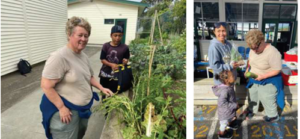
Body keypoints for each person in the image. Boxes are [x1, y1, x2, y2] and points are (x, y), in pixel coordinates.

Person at [40, 16, 113, 139]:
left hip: (81, 110)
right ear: (69, 34)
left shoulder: (83, 56)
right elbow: (46, 86)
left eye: (86, 36)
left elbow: (89, 77)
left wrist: (101, 88)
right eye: (80, 35)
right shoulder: (59, 57)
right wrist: (61, 107)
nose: (83, 39)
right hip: (66, 113)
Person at [243, 29, 284, 122]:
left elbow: (277, 70)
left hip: (268, 79)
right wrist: (246, 70)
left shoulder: (273, 52)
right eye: (251, 48)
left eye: (255, 48)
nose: (254, 51)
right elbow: (250, 61)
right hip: (254, 78)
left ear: (262, 41)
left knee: (267, 98)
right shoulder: (253, 49)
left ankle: (273, 116)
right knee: (252, 96)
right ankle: (252, 110)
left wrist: (263, 76)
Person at [99, 25, 130, 93]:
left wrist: (125, 62)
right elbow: (102, 59)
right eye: (115, 35)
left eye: (120, 35)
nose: (117, 38)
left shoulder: (125, 47)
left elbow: (126, 59)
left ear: (122, 35)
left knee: (114, 93)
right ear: (111, 35)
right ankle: (104, 102)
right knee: (104, 92)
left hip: (117, 75)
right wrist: (111, 65)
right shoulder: (106, 46)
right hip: (105, 74)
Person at [212, 70, 239, 139]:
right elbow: (222, 103)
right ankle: (222, 134)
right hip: (225, 112)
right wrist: (234, 105)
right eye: (232, 76)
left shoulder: (229, 85)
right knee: (223, 124)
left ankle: (230, 124)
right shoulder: (225, 91)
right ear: (227, 80)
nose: (234, 76)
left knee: (231, 117)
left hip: (229, 110)